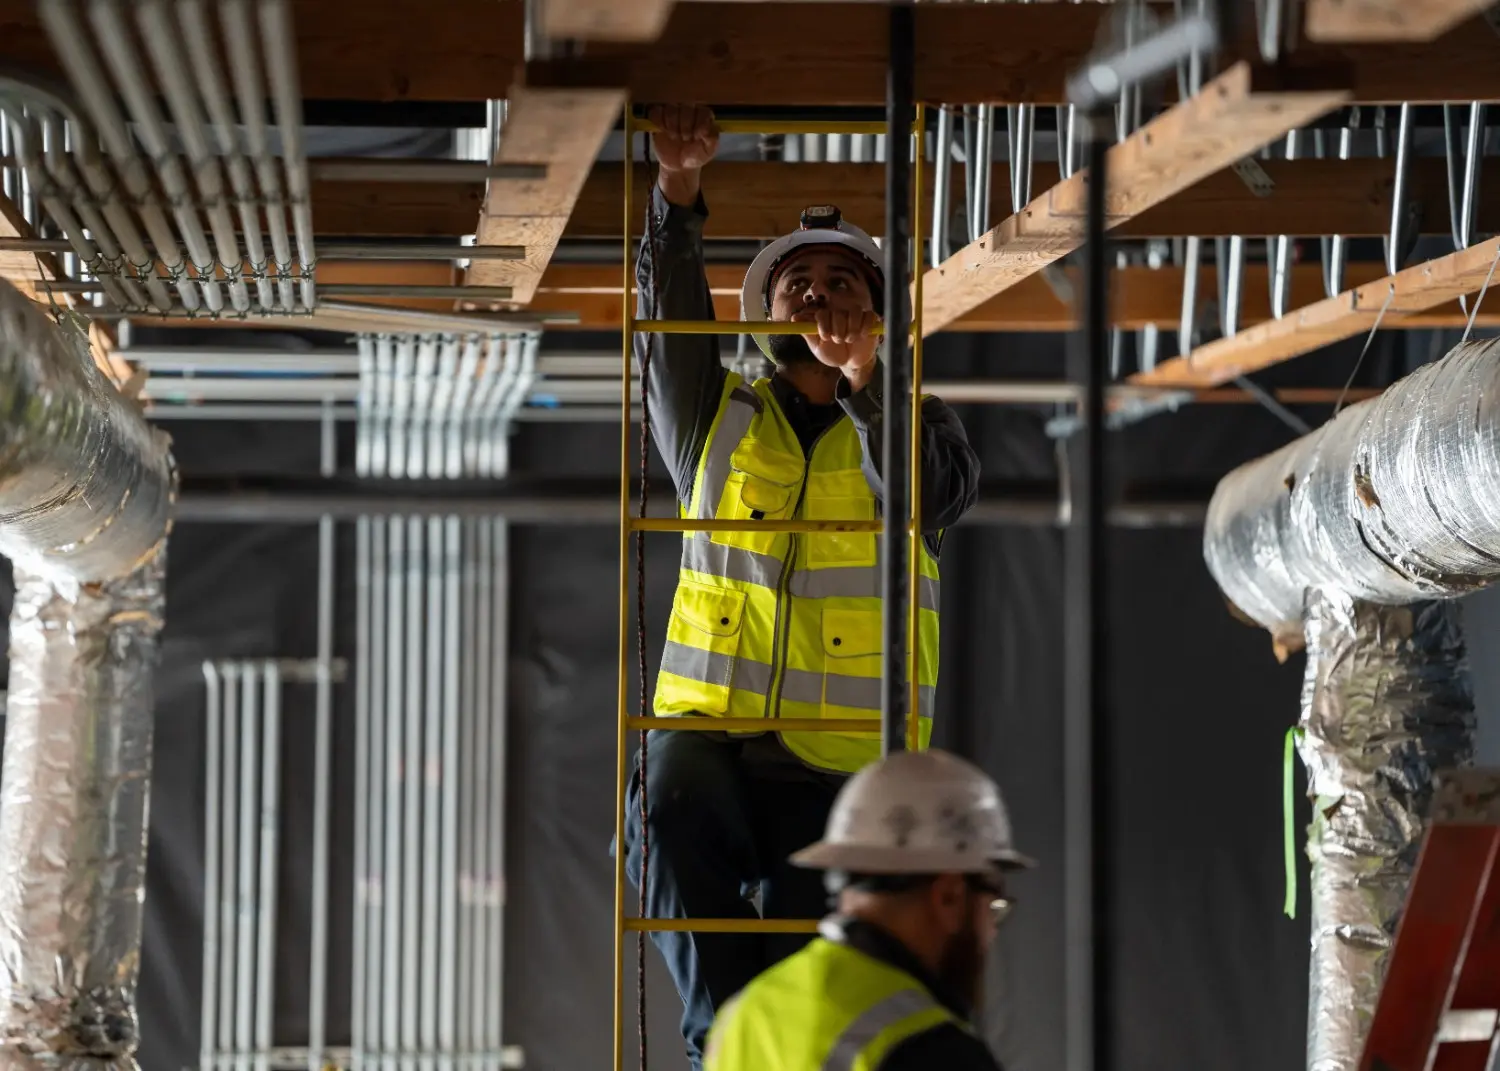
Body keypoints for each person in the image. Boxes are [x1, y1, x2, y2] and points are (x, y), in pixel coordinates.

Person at [622, 103, 982, 1069]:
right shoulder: (716, 419)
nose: (818, 297)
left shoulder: (920, 424)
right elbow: (671, 328)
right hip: (708, 728)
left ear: (872, 311)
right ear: (767, 314)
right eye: (798, 284)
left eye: (841, 282)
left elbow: (931, 494)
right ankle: (721, 1053)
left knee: (799, 952)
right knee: (663, 811)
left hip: (839, 767)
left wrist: (868, 379)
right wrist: (680, 191)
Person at [703, 748, 1030, 1071]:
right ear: (949, 896)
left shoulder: (745, 1014)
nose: (991, 932)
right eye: (994, 909)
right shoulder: (932, 1049)